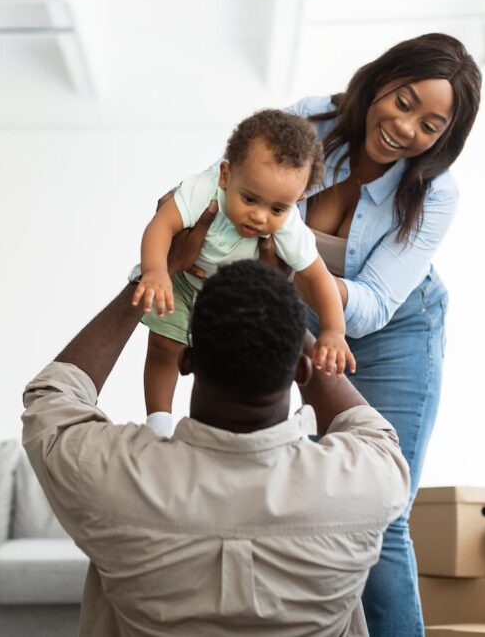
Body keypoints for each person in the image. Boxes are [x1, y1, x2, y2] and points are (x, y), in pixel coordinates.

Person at [169, 33, 482, 635]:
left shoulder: (435, 192)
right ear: (383, 79)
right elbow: (218, 195)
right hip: (298, 306)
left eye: (430, 124)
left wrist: (305, 274)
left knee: (382, 507)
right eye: (404, 100)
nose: (405, 127)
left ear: (444, 138)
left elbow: (374, 303)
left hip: (398, 325)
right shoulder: (306, 121)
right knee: (302, 499)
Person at [22, 259, 410, 636]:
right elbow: (368, 429)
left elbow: (51, 395)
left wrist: (155, 270)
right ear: (303, 371)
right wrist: (287, 309)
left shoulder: (115, 475)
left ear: (186, 362)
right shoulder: (363, 481)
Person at [133, 109, 355, 438]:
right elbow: (162, 226)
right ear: (226, 176)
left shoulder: (290, 225)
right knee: (164, 347)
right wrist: (155, 271)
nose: (260, 217)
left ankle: (271, 429)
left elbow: (318, 277)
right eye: (249, 198)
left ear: (298, 200)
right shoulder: (202, 191)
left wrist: (334, 330)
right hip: (182, 283)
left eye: (278, 208)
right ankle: (158, 424)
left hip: (233, 299)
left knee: (246, 357)